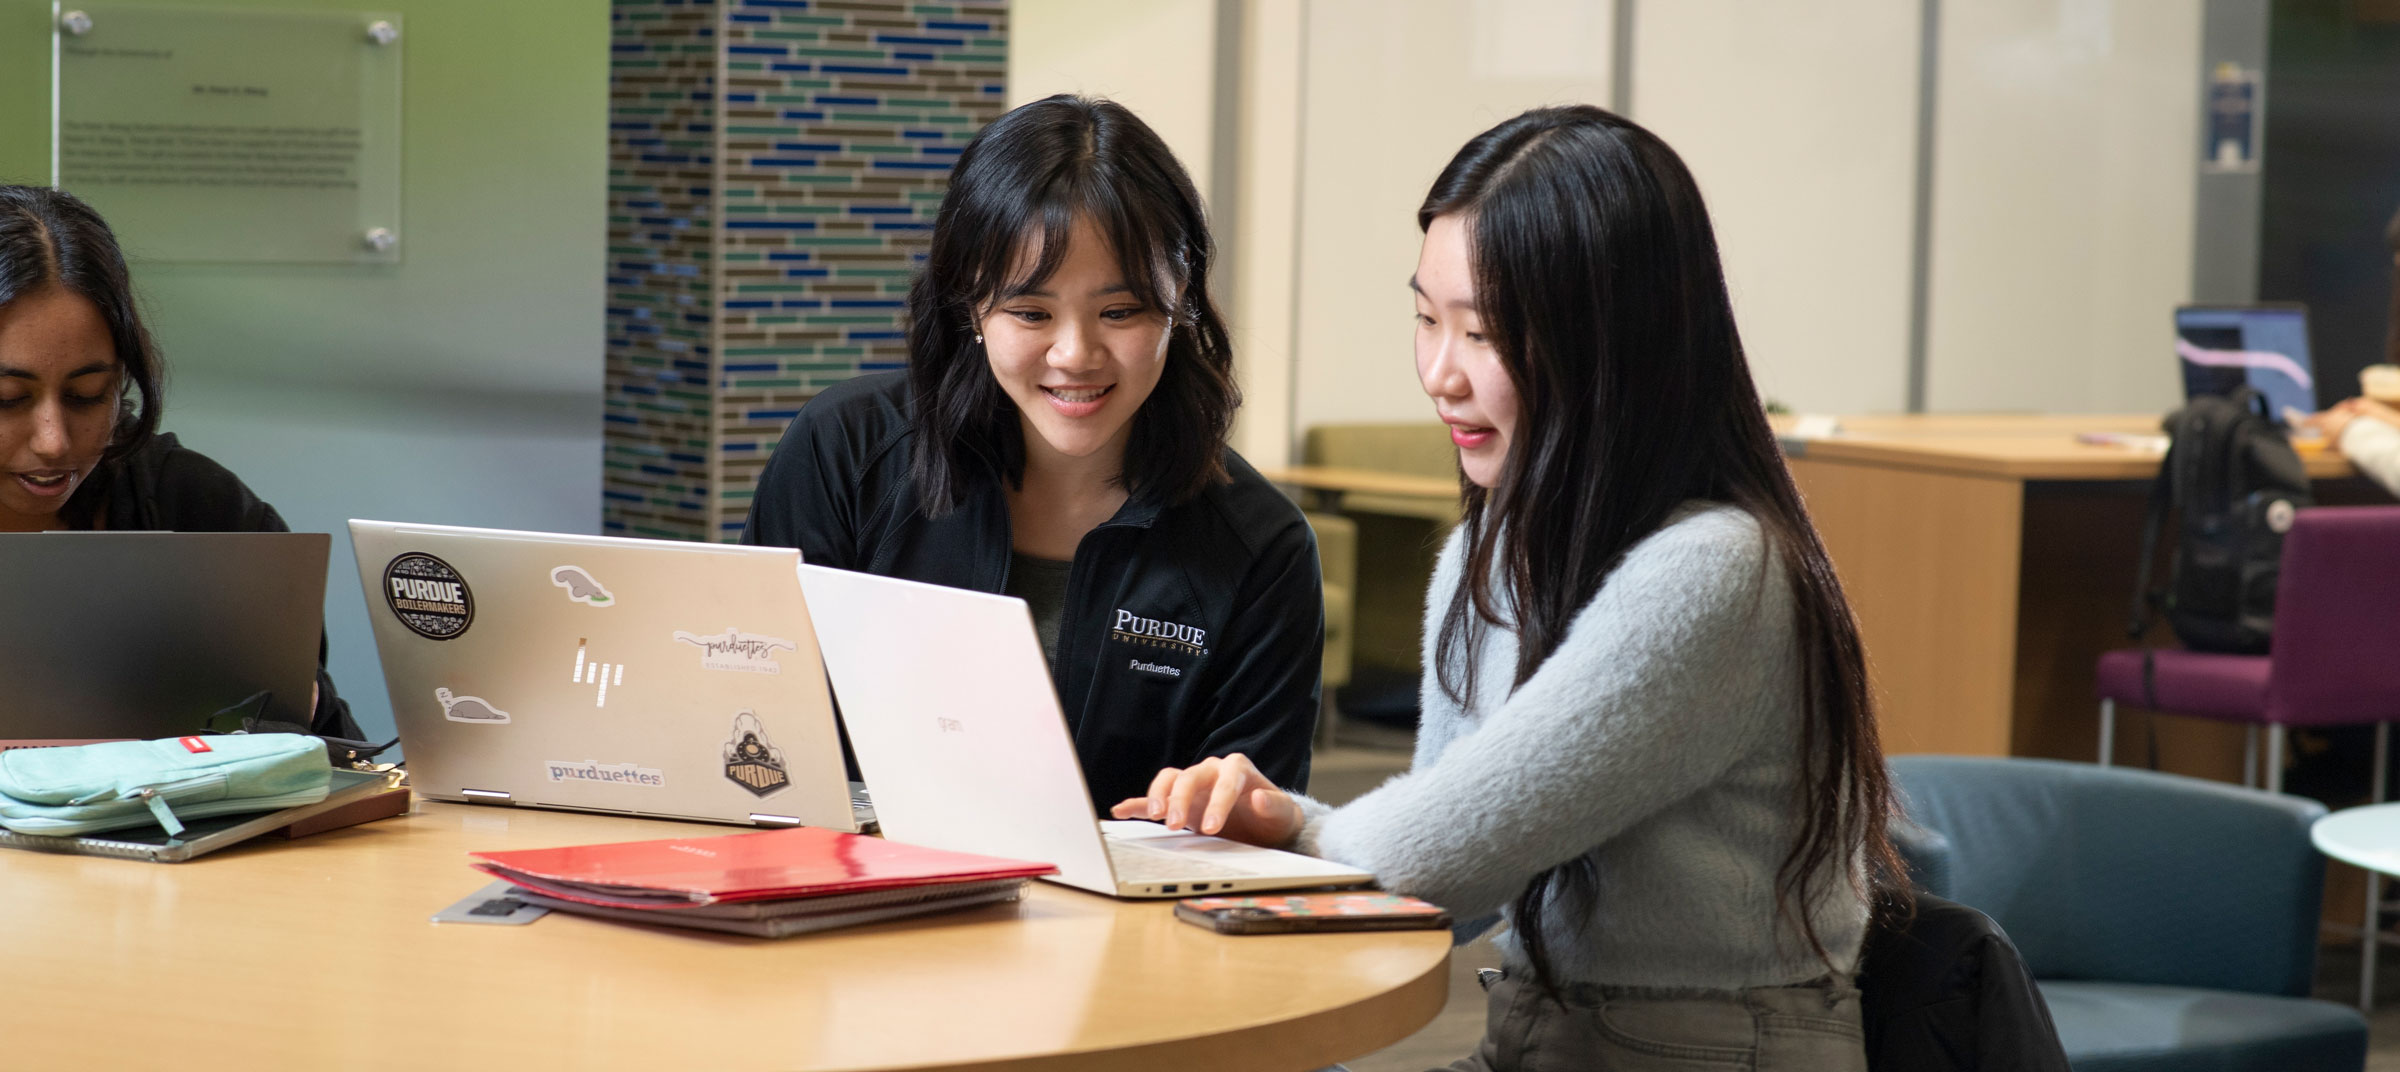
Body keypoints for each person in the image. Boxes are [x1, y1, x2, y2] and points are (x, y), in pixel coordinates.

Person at [1114, 106, 1903, 1070]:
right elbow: (1462, 878)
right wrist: (1291, 821)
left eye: (1481, 333)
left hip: (1706, 1047)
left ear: (1615, 344)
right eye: (1424, 317)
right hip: (1543, 1031)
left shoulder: (1715, 570)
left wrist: (1310, 836)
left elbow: (1433, 862)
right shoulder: (1490, 553)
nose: (1440, 374)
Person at [743, 96, 1323, 810]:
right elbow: (753, 726)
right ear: (971, 309)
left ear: (1183, 303)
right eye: (1030, 313)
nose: (1075, 354)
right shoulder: (844, 454)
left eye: (1122, 311)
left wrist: (1234, 817)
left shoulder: (1261, 548)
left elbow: (1255, 833)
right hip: (846, 896)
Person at [0, 184, 364, 740]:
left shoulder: (200, 509)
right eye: (7, 399)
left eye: (88, 394)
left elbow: (339, 758)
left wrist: (292, 716)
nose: (53, 441)